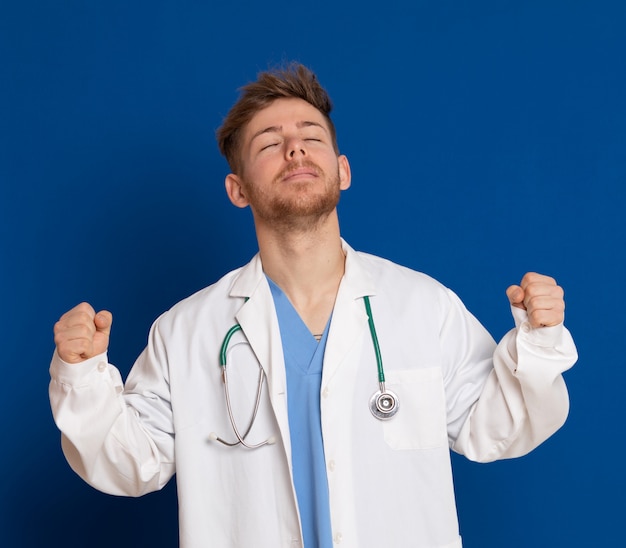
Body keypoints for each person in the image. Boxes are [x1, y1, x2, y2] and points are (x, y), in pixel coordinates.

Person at [49, 63, 577, 548]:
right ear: (238, 189)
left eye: (310, 138)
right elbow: (129, 464)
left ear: (342, 171)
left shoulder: (421, 305)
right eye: (270, 144)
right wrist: (82, 377)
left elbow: (499, 428)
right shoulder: (187, 332)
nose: (295, 151)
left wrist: (539, 344)